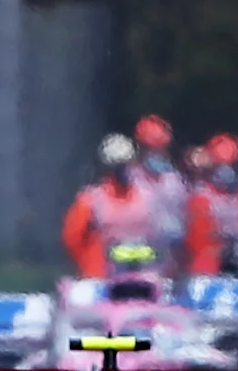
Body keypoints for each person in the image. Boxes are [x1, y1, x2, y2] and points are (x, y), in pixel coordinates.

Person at [62, 134, 158, 279]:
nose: (124, 170)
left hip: (143, 278)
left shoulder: (147, 196)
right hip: (101, 278)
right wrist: (89, 265)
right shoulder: (90, 199)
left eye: (127, 164)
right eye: (118, 165)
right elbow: (72, 238)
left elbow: (159, 236)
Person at [185, 133, 238, 276]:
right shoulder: (201, 198)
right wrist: (220, 250)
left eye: (232, 165)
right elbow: (197, 241)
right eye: (220, 165)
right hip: (212, 267)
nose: (226, 170)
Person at [131, 115, 189, 251]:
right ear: (140, 148)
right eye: (151, 149)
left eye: (160, 149)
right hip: (139, 248)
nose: (156, 154)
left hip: (173, 250)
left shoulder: (174, 180)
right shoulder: (131, 178)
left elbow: (185, 213)